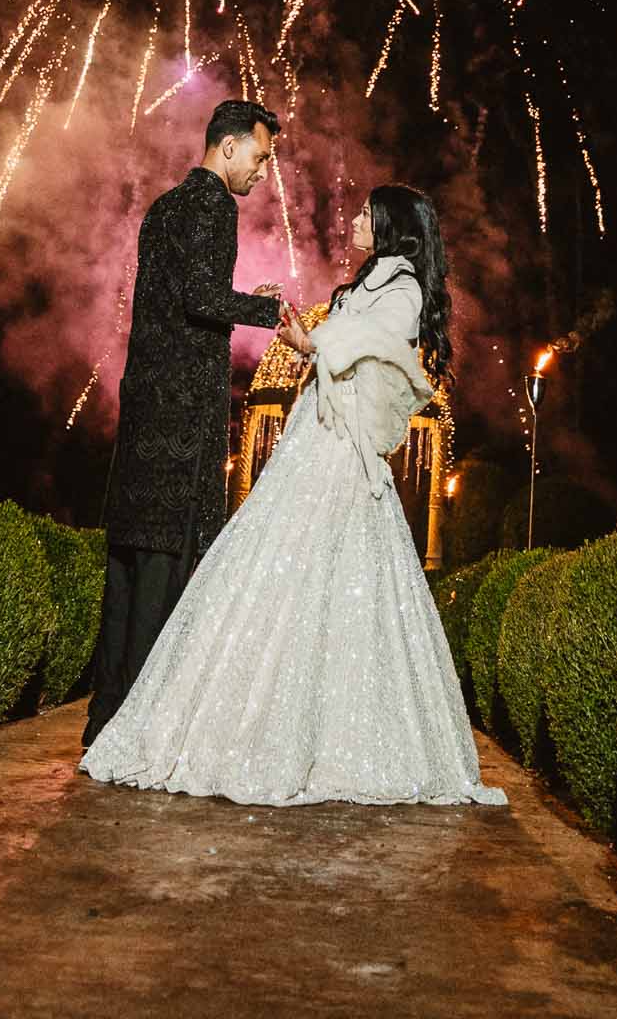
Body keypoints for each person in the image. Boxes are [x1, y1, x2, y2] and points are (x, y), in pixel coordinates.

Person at [80, 183, 507, 807]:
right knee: (272, 566)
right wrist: (307, 344)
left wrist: (316, 344)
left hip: (340, 454)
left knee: (330, 578)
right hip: (313, 437)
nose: (355, 219)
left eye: (366, 213)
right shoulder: (367, 284)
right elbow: (343, 347)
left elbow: (383, 350)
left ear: (391, 226)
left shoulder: (404, 288)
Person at [81, 99, 284, 749]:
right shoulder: (214, 204)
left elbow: (162, 303)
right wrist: (277, 314)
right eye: (259, 156)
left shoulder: (163, 206)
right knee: (165, 566)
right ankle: (140, 730)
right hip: (181, 416)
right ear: (227, 149)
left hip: (143, 406)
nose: (262, 172)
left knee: (127, 565)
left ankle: (104, 720)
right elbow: (201, 296)